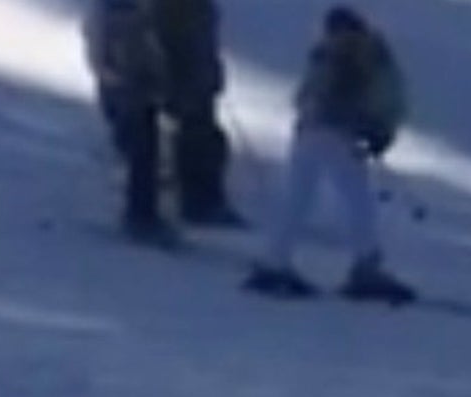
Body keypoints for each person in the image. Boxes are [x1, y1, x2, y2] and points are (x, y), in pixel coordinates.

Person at [243, 6, 414, 302]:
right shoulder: (369, 53)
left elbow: (306, 94)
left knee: (298, 197)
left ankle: (276, 262)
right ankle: (365, 266)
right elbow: (388, 98)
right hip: (341, 132)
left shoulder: (327, 52)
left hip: (312, 128)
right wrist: (376, 131)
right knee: (356, 199)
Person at [81, 0, 178, 245]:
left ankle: (145, 209)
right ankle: (141, 215)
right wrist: (107, 69)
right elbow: (101, 34)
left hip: (134, 70)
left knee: (145, 142)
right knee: (140, 143)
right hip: (124, 76)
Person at [148, 0, 244, 226]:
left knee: (211, 142)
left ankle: (207, 200)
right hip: (185, 83)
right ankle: (197, 204)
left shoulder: (198, 9)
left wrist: (213, 73)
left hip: (199, 82)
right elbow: (172, 44)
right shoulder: (174, 10)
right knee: (196, 142)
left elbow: (206, 43)